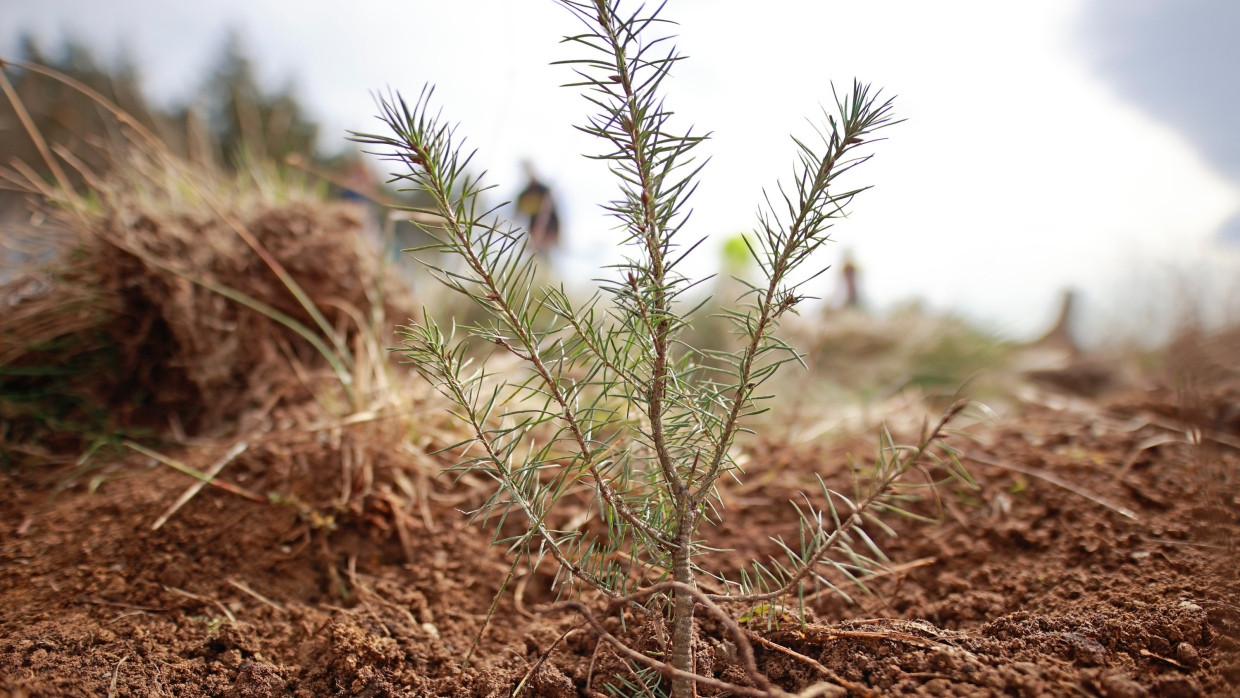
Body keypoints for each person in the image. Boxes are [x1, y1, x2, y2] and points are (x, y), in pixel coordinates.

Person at [515, 162, 560, 255]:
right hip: (534, 233)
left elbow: (550, 212)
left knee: (547, 256)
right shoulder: (524, 194)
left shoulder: (544, 191)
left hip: (549, 230)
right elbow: (517, 215)